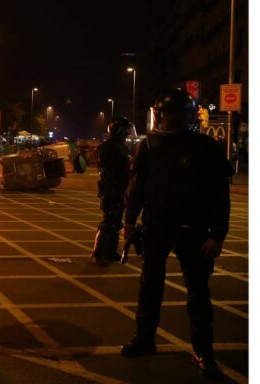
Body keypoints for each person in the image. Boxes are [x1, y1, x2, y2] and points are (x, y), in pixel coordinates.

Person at [121, 89, 232, 380]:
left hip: (194, 229)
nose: (168, 121)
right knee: (149, 287)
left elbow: (220, 195)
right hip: (156, 226)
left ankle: (204, 351)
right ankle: (144, 339)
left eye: (175, 116)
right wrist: (129, 222)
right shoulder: (149, 146)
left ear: (188, 117)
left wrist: (218, 235)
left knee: (198, 293)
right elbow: (137, 188)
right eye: (165, 116)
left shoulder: (205, 147)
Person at [90, 117, 136, 266]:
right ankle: (97, 253)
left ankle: (110, 251)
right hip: (111, 189)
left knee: (116, 221)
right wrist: (113, 190)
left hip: (121, 188)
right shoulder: (108, 147)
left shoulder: (120, 146)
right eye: (126, 130)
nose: (128, 133)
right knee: (108, 221)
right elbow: (108, 172)